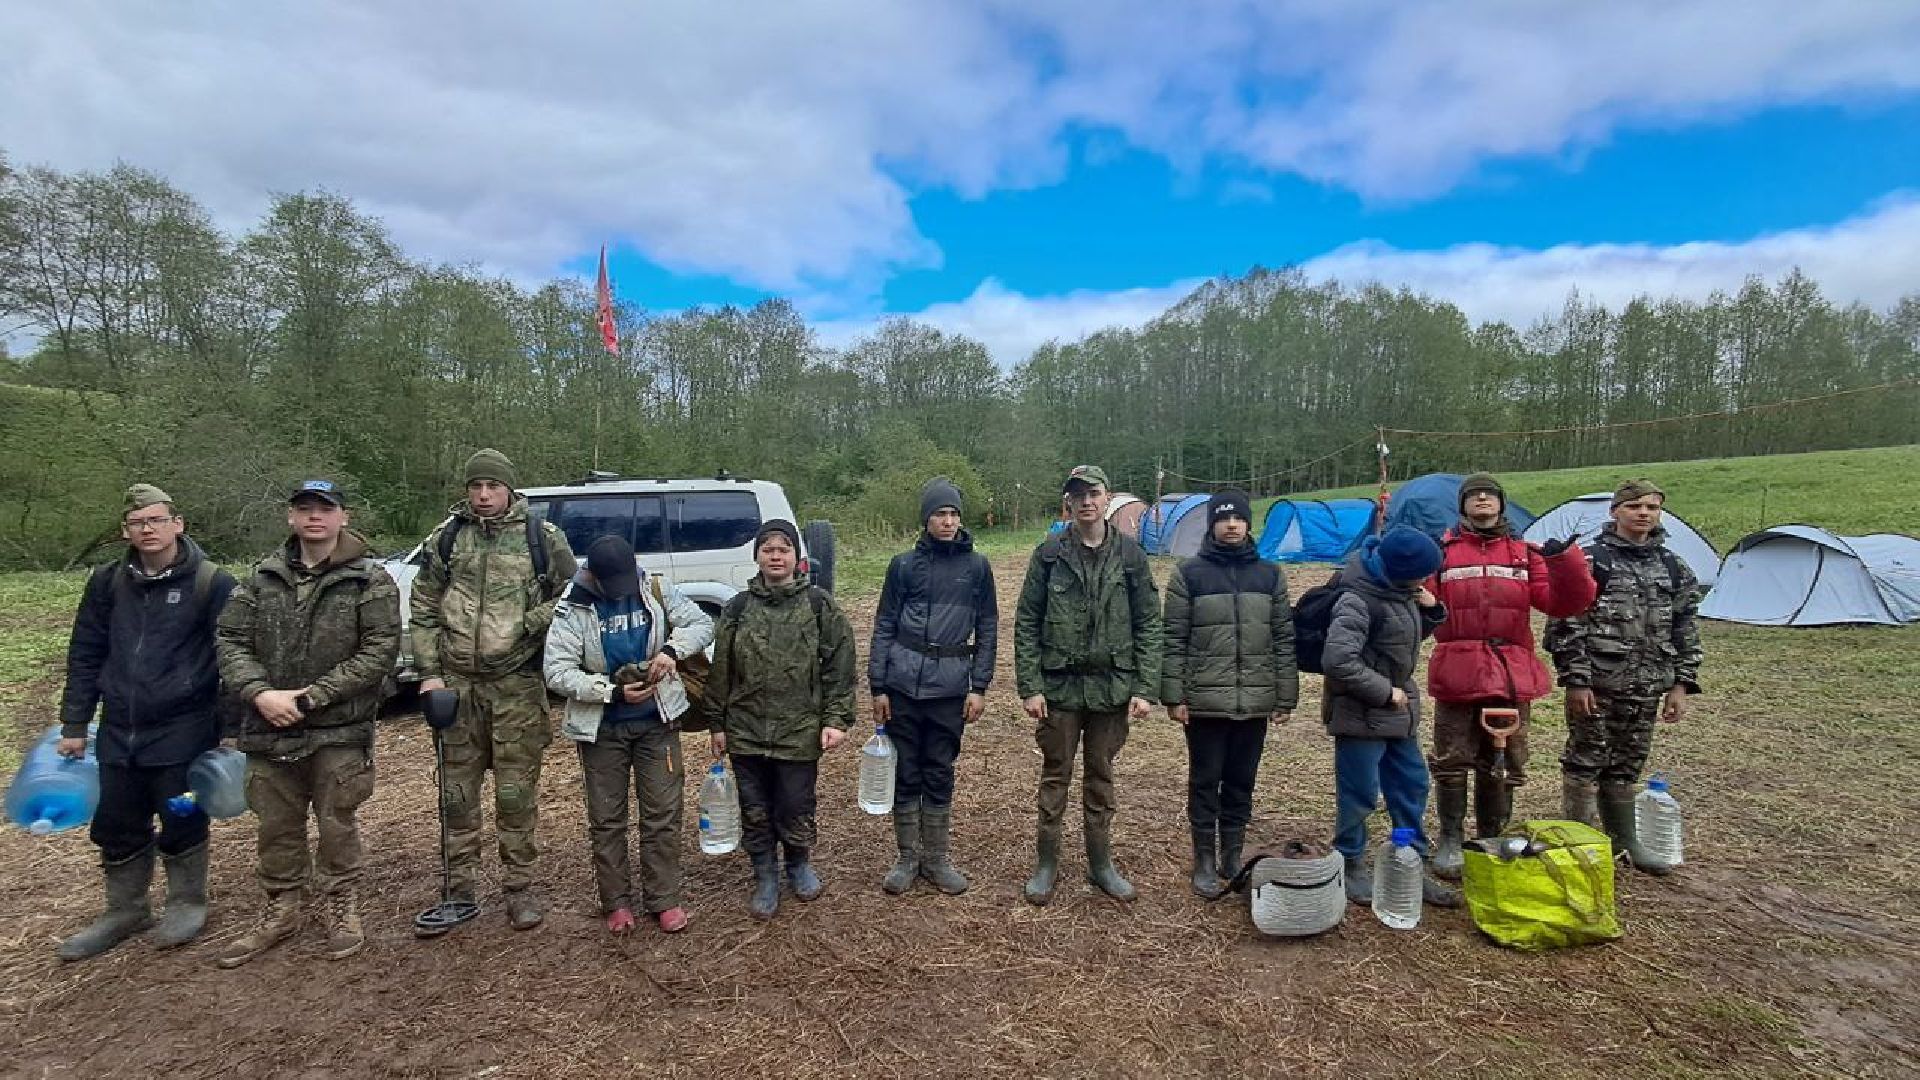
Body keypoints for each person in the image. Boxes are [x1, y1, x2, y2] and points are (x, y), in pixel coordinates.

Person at [213, 480, 401, 966]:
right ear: (290, 517)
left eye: (324, 509)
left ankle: (341, 903)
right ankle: (282, 906)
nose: (314, 517)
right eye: (304, 509)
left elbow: (380, 650)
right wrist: (260, 693)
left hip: (338, 726)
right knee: (275, 823)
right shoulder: (258, 580)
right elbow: (229, 641)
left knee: (337, 819)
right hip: (268, 723)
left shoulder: (370, 580)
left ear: (344, 516)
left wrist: (313, 697)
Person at [53, 484, 237, 960]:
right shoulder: (107, 583)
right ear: (125, 531)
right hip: (118, 729)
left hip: (185, 730)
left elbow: (233, 659)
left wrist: (233, 729)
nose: (148, 529)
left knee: (181, 812)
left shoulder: (211, 583)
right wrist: (74, 723)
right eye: (138, 523)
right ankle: (125, 908)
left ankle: (186, 900)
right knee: (116, 820)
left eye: (157, 520)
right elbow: (86, 652)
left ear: (178, 524)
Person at [409, 448, 577, 934]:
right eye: (475, 486)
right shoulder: (448, 538)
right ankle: (458, 890)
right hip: (456, 689)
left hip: (516, 689)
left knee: (514, 795)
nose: (483, 495)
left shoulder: (541, 539)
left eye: (492, 486)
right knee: (456, 796)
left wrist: (530, 623)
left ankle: (519, 889)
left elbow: (572, 595)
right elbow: (422, 605)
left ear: (509, 488)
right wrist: (429, 674)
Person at [1424, 472, 1595, 879]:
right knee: (1451, 757)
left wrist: (1564, 563)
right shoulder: (1442, 552)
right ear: (1462, 506)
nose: (1482, 500)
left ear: (1501, 504)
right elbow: (1424, 605)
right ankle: (1450, 838)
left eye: (1490, 495)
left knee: (1504, 759)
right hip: (1458, 668)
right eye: (1474, 495)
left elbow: (1564, 603)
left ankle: (1491, 835)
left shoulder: (1524, 554)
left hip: (1510, 672)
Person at [545, 534, 714, 934]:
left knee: (662, 814)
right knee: (607, 819)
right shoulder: (573, 606)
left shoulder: (653, 587)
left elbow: (701, 624)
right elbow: (556, 671)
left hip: (658, 720)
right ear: (594, 577)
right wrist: (612, 692)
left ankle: (664, 898)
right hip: (602, 729)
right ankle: (617, 902)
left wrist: (671, 651)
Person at [1013, 465, 1162, 905]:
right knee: (1055, 775)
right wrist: (1030, 686)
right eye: (1077, 495)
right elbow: (1027, 621)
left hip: (1112, 688)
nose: (1085, 502)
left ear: (1107, 497)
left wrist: (1144, 687)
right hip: (1059, 688)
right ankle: (1047, 863)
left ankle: (1101, 863)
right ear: (1068, 503)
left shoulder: (1130, 555)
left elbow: (1149, 623)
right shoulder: (1049, 553)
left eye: (1093, 493)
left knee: (1101, 776)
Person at [1544, 479, 1703, 875]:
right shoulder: (1591, 560)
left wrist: (1681, 683)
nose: (1644, 513)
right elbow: (1566, 621)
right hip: (1598, 684)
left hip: (1648, 684)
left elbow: (1685, 626)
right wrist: (1576, 680)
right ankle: (1580, 844)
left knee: (1628, 764)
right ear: (1615, 511)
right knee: (1585, 760)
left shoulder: (1672, 566)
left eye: (1651, 507)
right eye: (1634, 507)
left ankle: (1623, 841)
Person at [704, 520, 857, 920]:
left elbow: (840, 665)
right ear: (756, 556)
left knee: (794, 804)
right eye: (768, 548)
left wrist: (836, 719)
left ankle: (798, 864)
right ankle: (765, 874)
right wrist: (717, 724)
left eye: (783, 548)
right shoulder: (738, 607)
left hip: (799, 730)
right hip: (746, 729)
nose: (775, 555)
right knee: (754, 806)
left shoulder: (818, 605)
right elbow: (721, 668)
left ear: (797, 557)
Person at [1161, 489, 1298, 899]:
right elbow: (1174, 638)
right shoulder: (1189, 575)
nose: (1232, 525)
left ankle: (1231, 855)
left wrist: (1284, 697)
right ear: (1212, 525)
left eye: (1238, 519)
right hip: (1205, 702)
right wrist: (1174, 695)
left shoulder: (1270, 575)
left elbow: (1282, 638)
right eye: (1224, 519)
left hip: (1254, 701)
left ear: (1248, 523)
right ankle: (1203, 857)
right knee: (1205, 780)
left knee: (1242, 780)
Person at [868, 477, 998, 896]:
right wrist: (878, 686)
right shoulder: (902, 565)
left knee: (939, 770)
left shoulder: (977, 567)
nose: (947, 521)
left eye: (953, 514)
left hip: (951, 688)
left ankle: (937, 858)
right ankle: (907, 858)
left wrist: (979, 686)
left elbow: (989, 627)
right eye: (940, 513)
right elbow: (884, 624)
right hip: (903, 685)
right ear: (926, 519)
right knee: (906, 771)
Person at [1322, 525, 1458, 908]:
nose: (1426, 579)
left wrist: (1431, 610)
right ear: (1401, 569)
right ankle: (1349, 862)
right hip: (1361, 711)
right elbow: (1338, 659)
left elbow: (1399, 638)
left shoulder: (1401, 590)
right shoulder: (1357, 598)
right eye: (1422, 573)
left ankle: (1410, 860)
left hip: (1399, 711)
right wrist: (1385, 691)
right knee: (1360, 793)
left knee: (1412, 784)